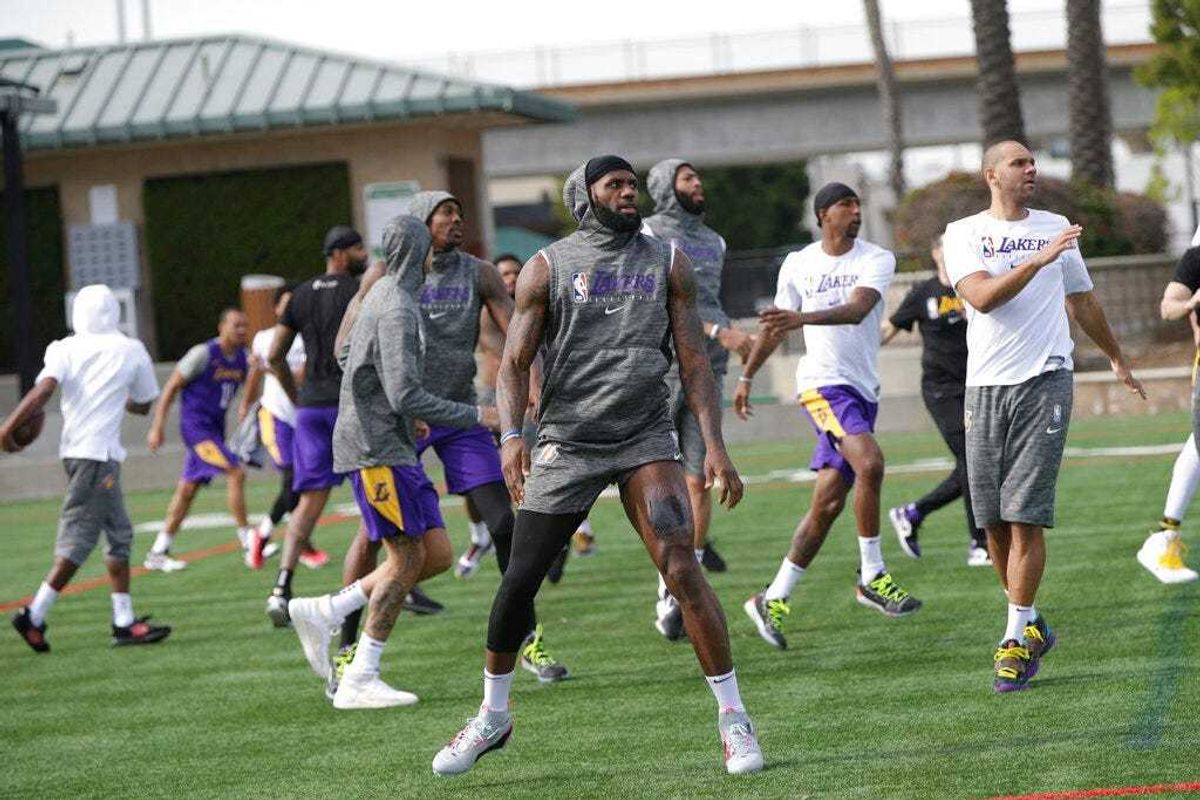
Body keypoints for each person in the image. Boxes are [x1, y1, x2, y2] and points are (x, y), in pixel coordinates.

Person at [431, 155, 762, 777]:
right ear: (584, 197)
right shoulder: (547, 267)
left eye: (632, 185)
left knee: (682, 567)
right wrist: (512, 436)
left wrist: (715, 444)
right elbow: (513, 362)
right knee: (520, 579)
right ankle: (492, 715)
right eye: (615, 185)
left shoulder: (667, 260)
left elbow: (693, 361)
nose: (628, 193)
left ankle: (734, 718)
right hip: (569, 442)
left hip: (645, 437)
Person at [942, 139, 1144, 692]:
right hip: (983, 387)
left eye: (1033, 162)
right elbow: (981, 298)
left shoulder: (1055, 225)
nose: (1030, 169)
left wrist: (1116, 355)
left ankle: (1012, 641)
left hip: (1046, 378)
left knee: (1025, 513)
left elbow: (1082, 300)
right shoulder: (963, 234)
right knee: (993, 524)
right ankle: (1030, 621)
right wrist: (1039, 259)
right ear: (991, 175)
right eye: (1018, 162)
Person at [286, 215, 500, 708]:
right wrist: (477, 415)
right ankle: (361, 676)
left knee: (438, 554)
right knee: (405, 558)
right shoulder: (398, 305)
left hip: (391, 441)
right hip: (376, 448)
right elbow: (405, 392)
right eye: (430, 249)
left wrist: (393, 408)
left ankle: (329, 609)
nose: (436, 258)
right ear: (417, 254)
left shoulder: (382, 298)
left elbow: (348, 360)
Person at [736, 182, 920, 653]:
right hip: (821, 384)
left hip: (861, 389)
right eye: (845, 205)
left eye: (858, 205)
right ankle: (873, 575)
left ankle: (771, 597)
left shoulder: (876, 258)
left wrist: (802, 319)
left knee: (828, 505)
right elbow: (776, 326)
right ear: (822, 215)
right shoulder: (798, 263)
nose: (855, 212)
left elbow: (860, 310)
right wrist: (747, 376)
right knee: (872, 464)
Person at [3, 285, 171, 650]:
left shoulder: (63, 348)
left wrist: (9, 426)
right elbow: (143, 404)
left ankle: (123, 621)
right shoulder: (131, 350)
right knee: (79, 540)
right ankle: (33, 614)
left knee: (120, 534)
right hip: (96, 456)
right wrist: (113, 393)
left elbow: (43, 392)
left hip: (82, 453)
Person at [642, 157, 754, 640]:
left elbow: (707, 298)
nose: (697, 184)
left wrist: (722, 339)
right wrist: (715, 330)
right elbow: (658, 300)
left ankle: (675, 584)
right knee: (654, 475)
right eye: (687, 178)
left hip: (708, 369)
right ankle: (665, 575)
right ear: (666, 185)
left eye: (697, 176)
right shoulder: (646, 233)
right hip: (662, 369)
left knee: (701, 475)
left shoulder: (716, 240)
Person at [265, 226, 366, 626]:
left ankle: (281, 588)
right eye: (357, 248)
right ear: (339, 254)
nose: (363, 254)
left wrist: (297, 398)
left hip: (310, 410)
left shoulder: (300, 294)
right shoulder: (359, 291)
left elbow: (275, 356)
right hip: (349, 405)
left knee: (309, 501)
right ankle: (391, 583)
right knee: (372, 491)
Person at [882, 234, 990, 567]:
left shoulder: (973, 287)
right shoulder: (923, 293)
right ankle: (979, 543)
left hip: (976, 385)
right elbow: (889, 328)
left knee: (976, 463)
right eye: (946, 245)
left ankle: (913, 513)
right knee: (974, 461)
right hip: (941, 389)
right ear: (935, 252)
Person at [144, 308, 251, 571]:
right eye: (236, 325)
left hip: (214, 431)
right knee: (235, 472)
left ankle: (158, 551)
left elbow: (252, 382)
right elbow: (170, 387)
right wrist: (157, 427)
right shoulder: (202, 355)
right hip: (196, 430)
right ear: (221, 327)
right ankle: (248, 540)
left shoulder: (242, 359)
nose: (241, 330)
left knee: (187, 491)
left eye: (244, 326)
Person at [237, 284, 320, 569]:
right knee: (291, 478)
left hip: (304, 417)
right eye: (285, 304)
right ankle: (267, 537)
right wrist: (245, 405)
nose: (290, 309)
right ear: (276, 309)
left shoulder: (308, 337)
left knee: (304, 482)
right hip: (276, 416)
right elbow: (254, 375)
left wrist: (269, 365)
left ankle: (285, 539)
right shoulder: (264, 337)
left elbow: (300, 375)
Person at [1138, 245, 1200, 583]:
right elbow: (1168, 307)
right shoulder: (1196, 258)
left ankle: (1165, 535)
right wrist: (1191, 303)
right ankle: (1164, 536)